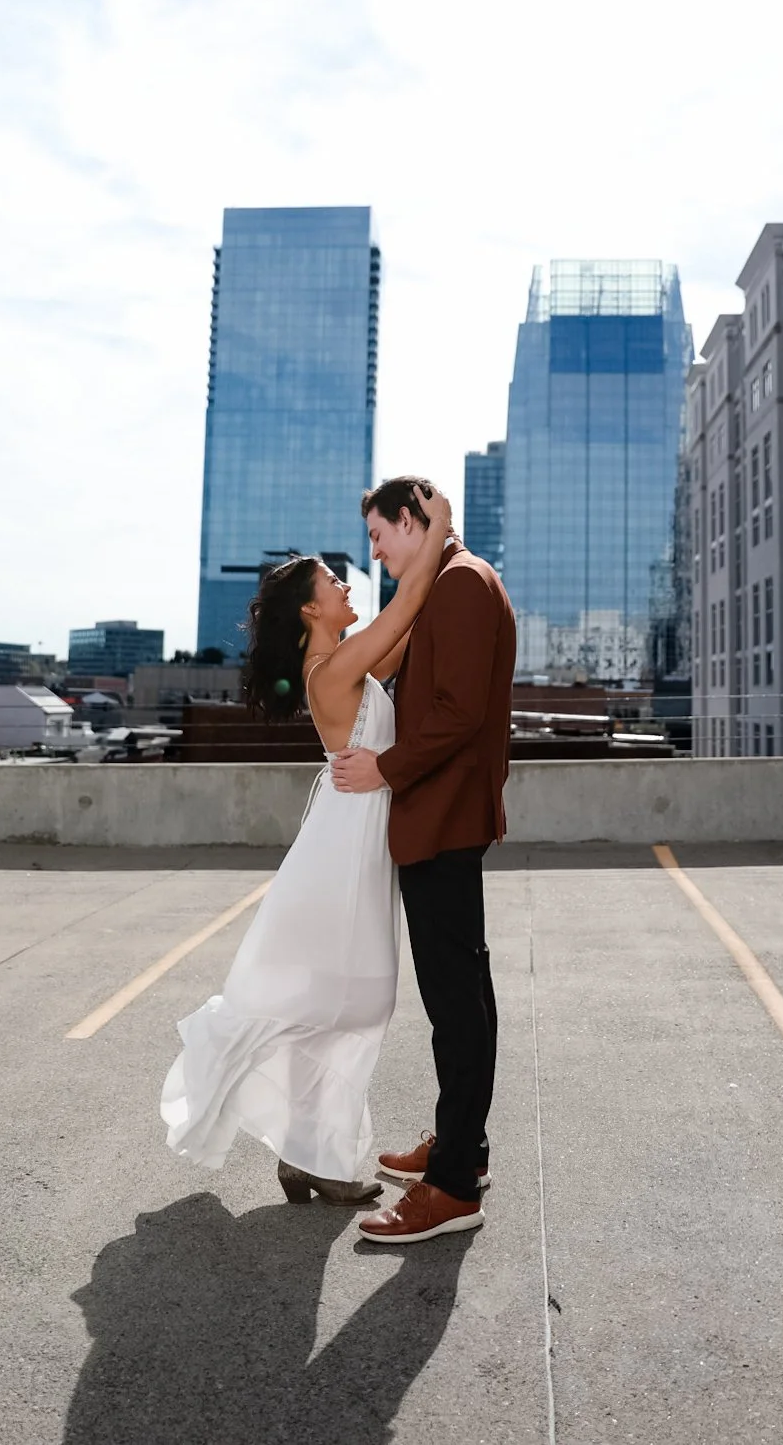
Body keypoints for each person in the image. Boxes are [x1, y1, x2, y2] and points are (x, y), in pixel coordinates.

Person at [160, 483, 454, 1204]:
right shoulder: (336, 669)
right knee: (349, 1001)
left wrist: (438, 563)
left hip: (354, 837)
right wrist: (439, 529)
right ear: (309, 610)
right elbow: (409, 605)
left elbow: (412, 627)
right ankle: (316, 1157)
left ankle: (307, 1156)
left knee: (340, 1002)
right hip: (343, 848)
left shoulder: (351, 662)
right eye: (332, 581)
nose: (346, 585)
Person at [332, 476, 516, 1246]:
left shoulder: (463, 585)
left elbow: (455, 714)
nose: (374, 550)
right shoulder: (446, 581)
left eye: (380, 534)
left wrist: (385, 767)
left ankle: (449, 1189)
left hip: (442, 816)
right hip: (439, 817)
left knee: (454, 1003)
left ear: (414, 521)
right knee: (461, 992)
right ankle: (459, 1151)